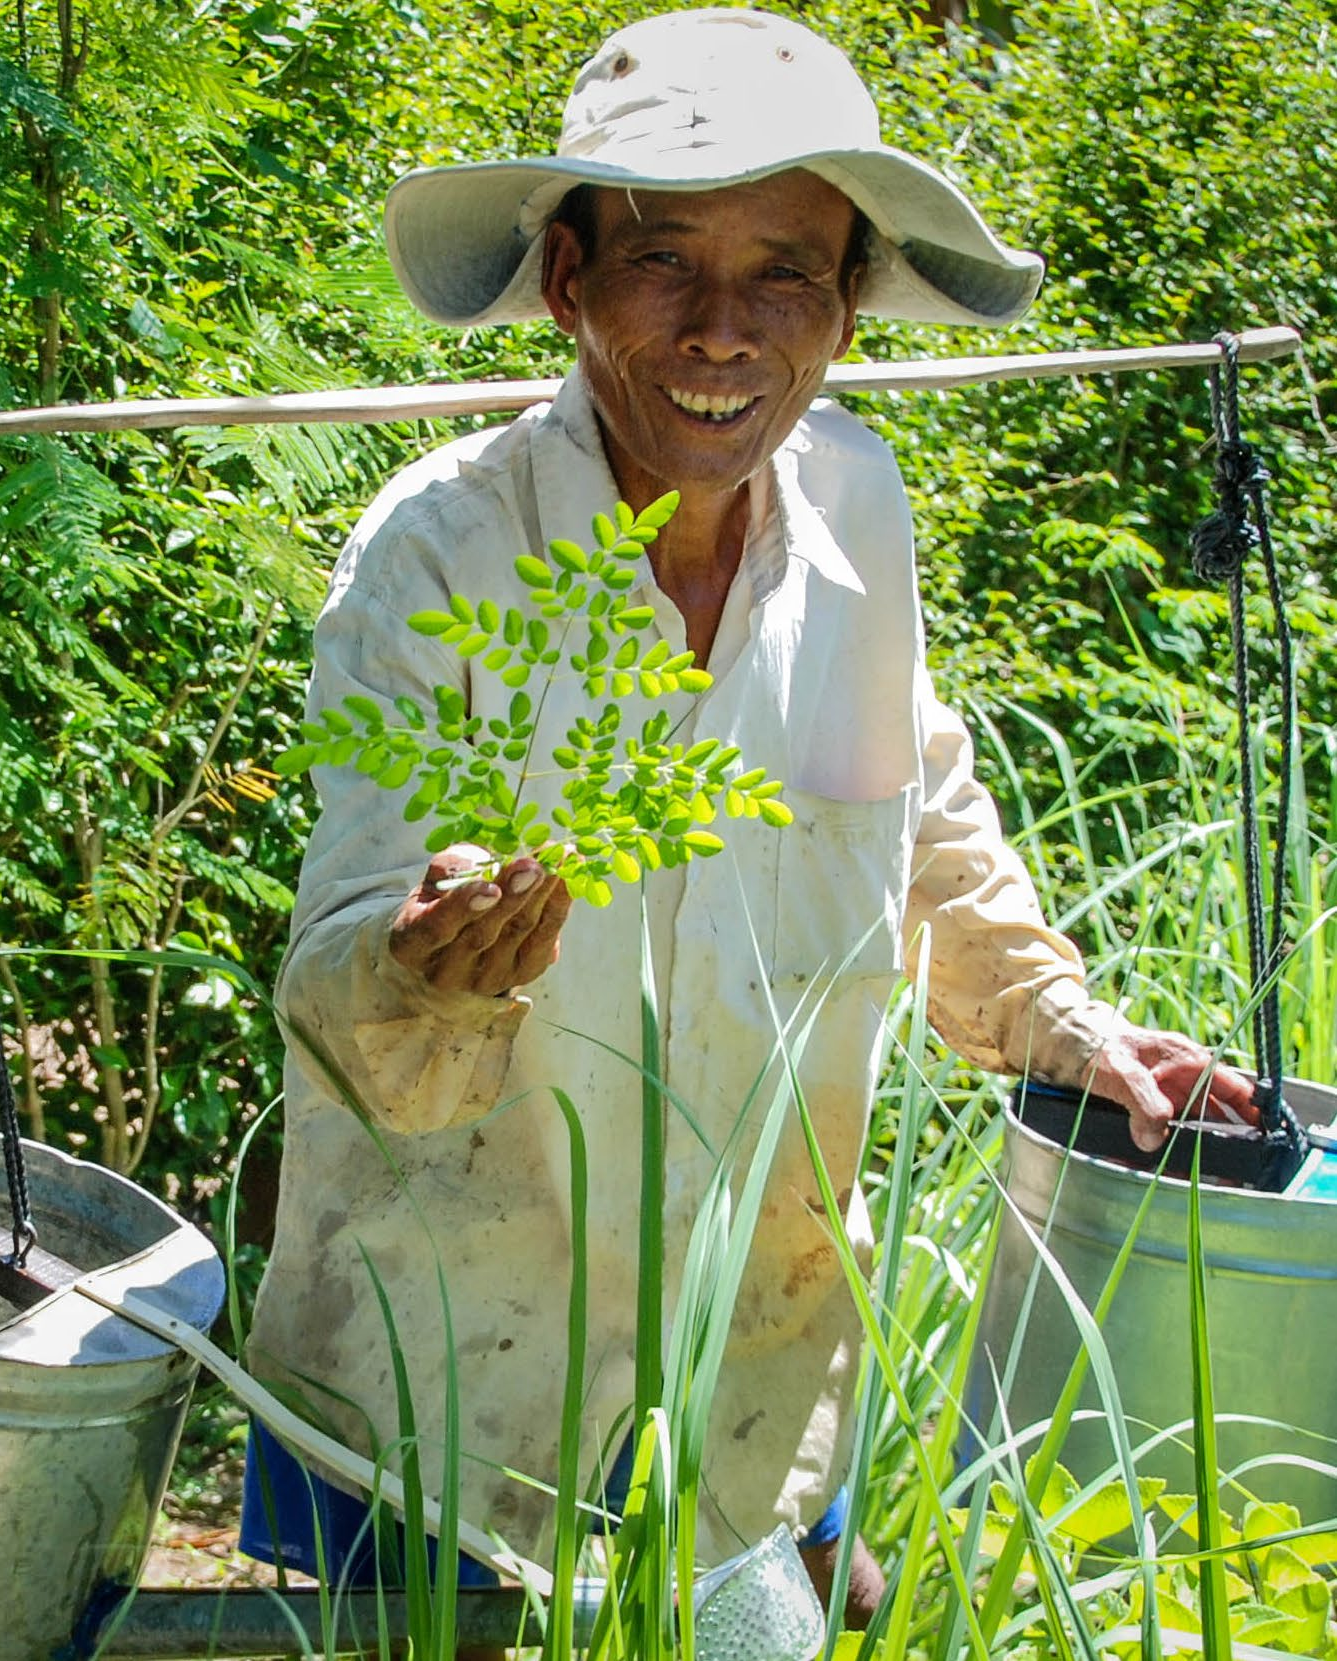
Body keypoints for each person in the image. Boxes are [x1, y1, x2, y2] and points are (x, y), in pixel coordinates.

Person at [238, 5, 1258, 1625]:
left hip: (760, 1373)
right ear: (569, 283)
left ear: (847, 305)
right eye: (665, 263)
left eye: (785, 270)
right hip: (450, 1389)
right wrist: (427, 962)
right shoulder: (441, 555)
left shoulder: (857, 508)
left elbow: (914, 820)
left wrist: (1064, 1027)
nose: (725, 330)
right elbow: (344, 969)